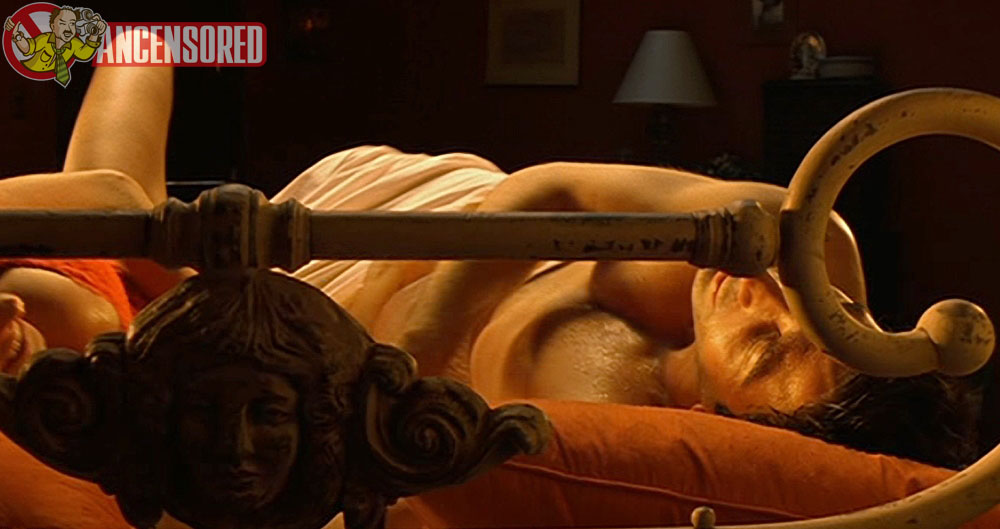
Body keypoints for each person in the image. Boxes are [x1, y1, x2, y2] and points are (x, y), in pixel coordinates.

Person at [0, 65, 982, 471]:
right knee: (131, 210)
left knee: (121, 214)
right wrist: (423, 326)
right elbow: (550, 189)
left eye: (768, 351)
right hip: (412, 216)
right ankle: (142, 46)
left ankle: (138, 49)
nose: (767, 299)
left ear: (733, 427)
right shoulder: (797, 243)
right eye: (835, 311)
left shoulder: (632, 442)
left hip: (324, 328)